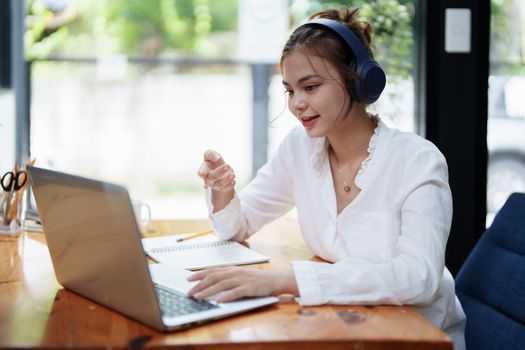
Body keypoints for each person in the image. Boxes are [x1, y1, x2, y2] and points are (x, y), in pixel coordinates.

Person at [189, 7, 466, 349]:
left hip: (413, 337)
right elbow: (237, 225)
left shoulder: (417, 162)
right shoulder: (300, 148)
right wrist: (223, 191)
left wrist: (285, 280)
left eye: (311, 87)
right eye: (291, 91)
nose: (297, 104)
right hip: (345, 325)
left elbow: (418, 278)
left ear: (359, 81)